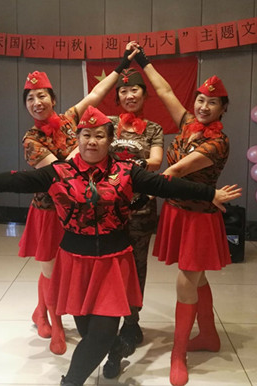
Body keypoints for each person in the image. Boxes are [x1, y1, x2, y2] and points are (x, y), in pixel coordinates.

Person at [0, 105, 242, 386]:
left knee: (101, 333)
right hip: (74, 263)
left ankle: (71, 381)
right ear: (78, 138)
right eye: (86, 135)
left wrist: (209, 194)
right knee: (88, 332)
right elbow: (14, 180)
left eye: (99, 135)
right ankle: (116, 350)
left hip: (113, 262)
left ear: (110, 140)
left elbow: (165, 184)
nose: (92, 141)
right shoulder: (59, 172)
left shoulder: (126, 172)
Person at [18, 43, 138, 355]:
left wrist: (121, 65)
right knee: (50, 269)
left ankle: (41, 311)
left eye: (42, 95)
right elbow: (61, 173)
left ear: (53, 99)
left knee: (60, 269)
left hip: (81, 212)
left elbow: (97, 93)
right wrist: (87, 147)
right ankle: (55, 325)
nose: (37, 102)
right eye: (30, 98)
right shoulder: (31, 141)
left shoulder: (71, 120)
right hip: (49, 213)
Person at [135, 48, 233, 386]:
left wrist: (141, 191)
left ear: (223, 108)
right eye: (200, 100)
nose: (203, 106)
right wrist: (143, 61)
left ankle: (178, 355)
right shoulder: (188, 123)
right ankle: (208, 335)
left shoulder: (218, 143)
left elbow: (175, 171)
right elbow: (164, 91)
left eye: (212, 102)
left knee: (186, 281)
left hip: (199, 220)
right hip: (177, 212)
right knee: (197, 278)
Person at [103, 67, 164, 378]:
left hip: (140, 208)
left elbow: (156, 161)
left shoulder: (153, 129)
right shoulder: (108, 124)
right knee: (109, 264)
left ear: (144, 94)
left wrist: (132, 163)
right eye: (123, 91)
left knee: (137, 265)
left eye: (135, 90)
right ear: (117, 97)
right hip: (108, 207)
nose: (129, 95)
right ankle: (107, 320)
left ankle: (132, 322)